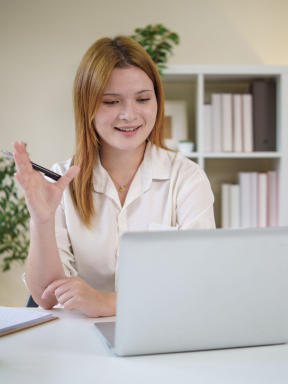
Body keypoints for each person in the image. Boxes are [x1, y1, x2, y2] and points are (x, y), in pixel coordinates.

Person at [13, 35, 215, 318]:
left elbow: (198, 285)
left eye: (143, 99)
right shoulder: (59, 181)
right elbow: (46, 298)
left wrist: (106, 303)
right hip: (79, 343)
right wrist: (41, 222)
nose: (129, 115)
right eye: (111, 102)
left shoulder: (187, 179)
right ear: (88, 107)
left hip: (163, 336)